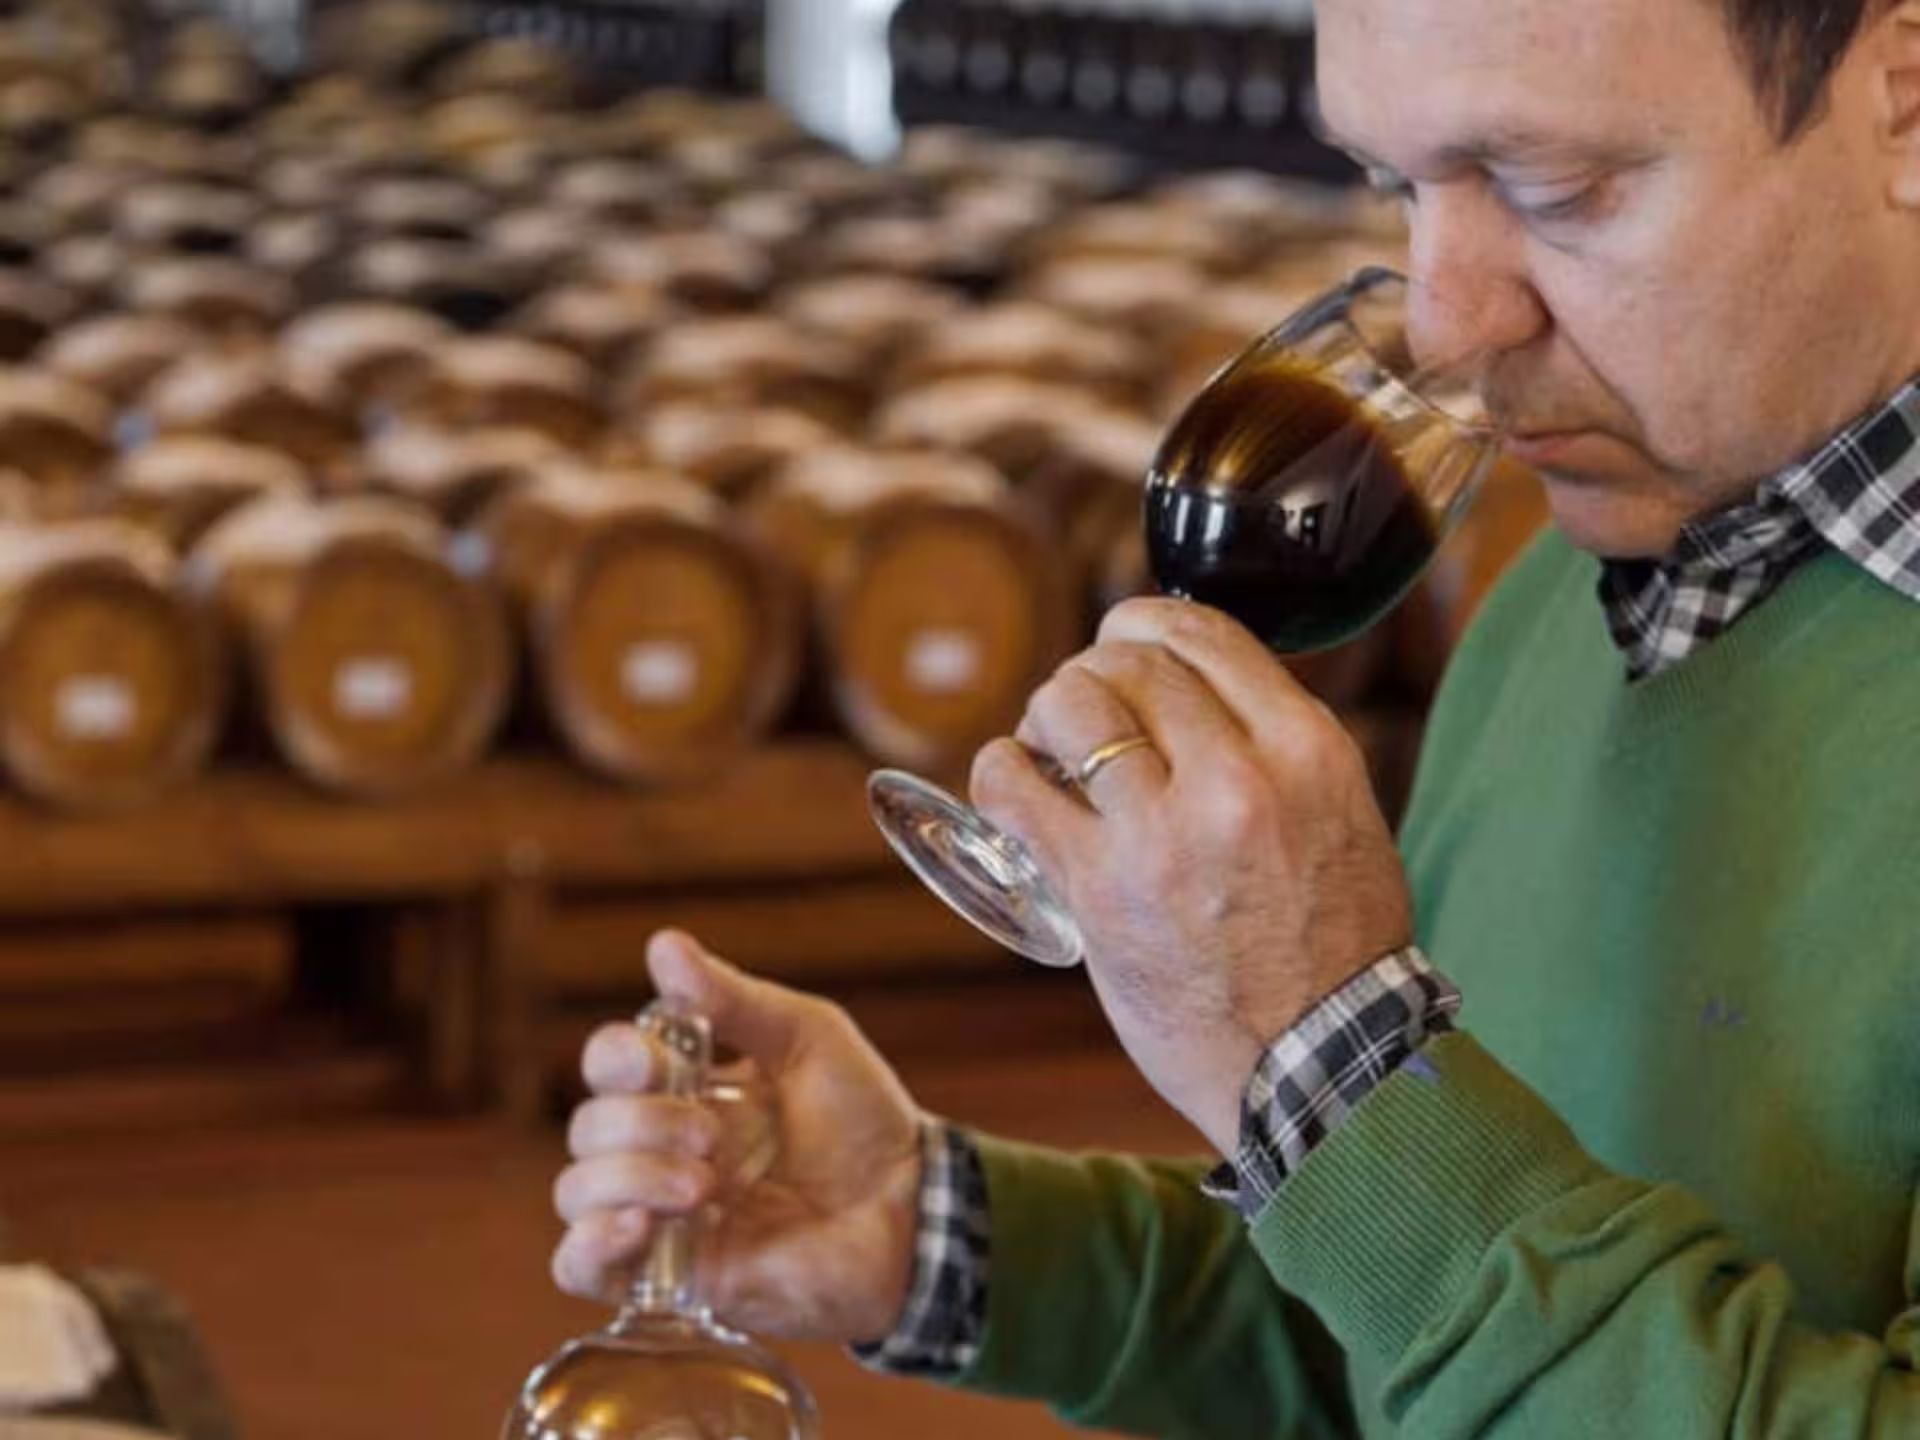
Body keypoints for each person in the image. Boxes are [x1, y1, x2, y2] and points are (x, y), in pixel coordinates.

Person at [549, 0, 1920, 1430]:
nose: (1445, 322)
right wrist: (934, 1236)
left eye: (1555, 191)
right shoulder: (1560, 605)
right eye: (1396, 187)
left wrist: (1335, 1057)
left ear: (1900, 99)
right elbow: (1413, 1356)